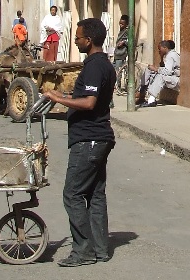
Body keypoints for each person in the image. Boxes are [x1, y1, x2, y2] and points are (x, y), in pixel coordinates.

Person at [43, 18, 116, 267]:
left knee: (72, 194)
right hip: (97, 138)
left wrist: (58, 99)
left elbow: (88, 103)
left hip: (90, 140)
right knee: (95, 194)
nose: (75, 40)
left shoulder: (96, 67)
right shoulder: (99, 64)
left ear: (89, 40)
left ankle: (83, 251)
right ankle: (100, 249)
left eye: (78, 36)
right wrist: (60, 95)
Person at [137, 40, 180, 107]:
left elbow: (168, 72)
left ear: (165, 48)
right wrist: (161, 57)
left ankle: (151, 100)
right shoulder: (168, 55)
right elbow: (164, 67)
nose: (159, 51)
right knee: (149, 70)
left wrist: (156, 69)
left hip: (175, 79)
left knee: (160, 76)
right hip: (171, 77)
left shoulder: (171, 56)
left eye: (160, 49)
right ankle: (141, 94)